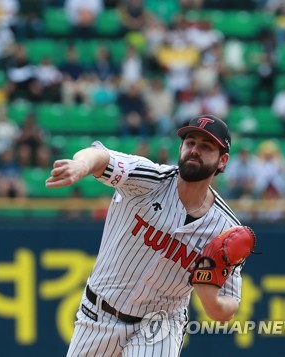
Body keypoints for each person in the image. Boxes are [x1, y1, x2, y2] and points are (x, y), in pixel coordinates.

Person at [46, 114, 246, 356]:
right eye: (190, 142)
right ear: (181, 147)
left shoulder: (226, 230)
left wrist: (209, 298)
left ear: (222, 161)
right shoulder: (148, 180)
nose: (195, 150)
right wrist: (81, 165)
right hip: (98, 314)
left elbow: (228, 307)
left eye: (206, 146)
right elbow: (100, 155)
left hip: (161, 323)